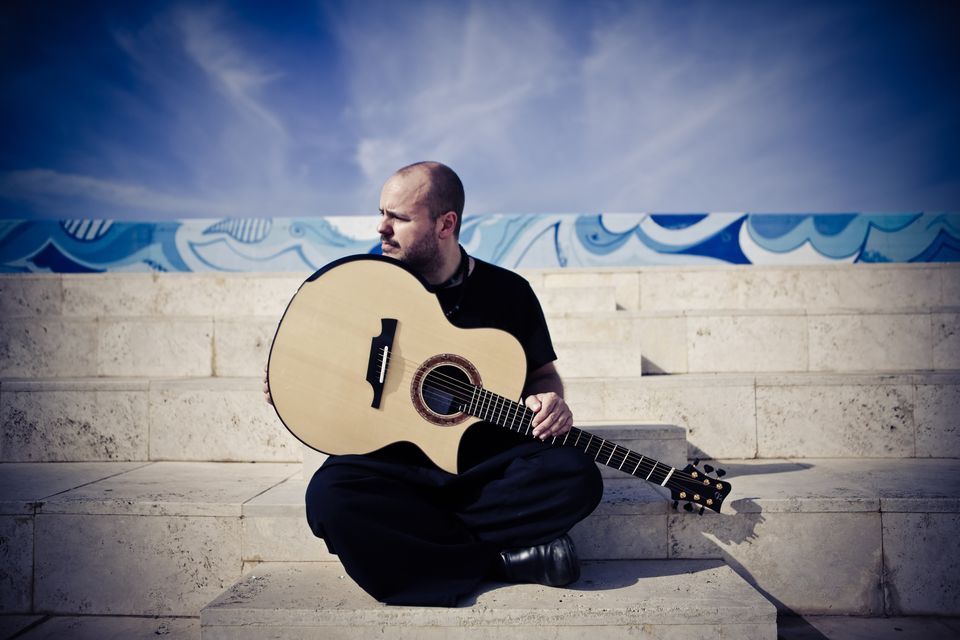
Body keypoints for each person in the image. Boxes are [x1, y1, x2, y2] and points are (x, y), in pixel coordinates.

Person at [264, 161, 603, 607]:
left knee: (576, 477)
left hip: (482, 460)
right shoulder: (366, 280)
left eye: (399, 218)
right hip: (391, 458)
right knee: (330, 500)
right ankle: (500, 561)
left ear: (446, 224)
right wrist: (293, 378)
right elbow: (311, 346)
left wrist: (551, 400)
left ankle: (423, 549)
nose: (381, 228)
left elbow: (542, 375)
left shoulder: (509, 292)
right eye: (381, 212)